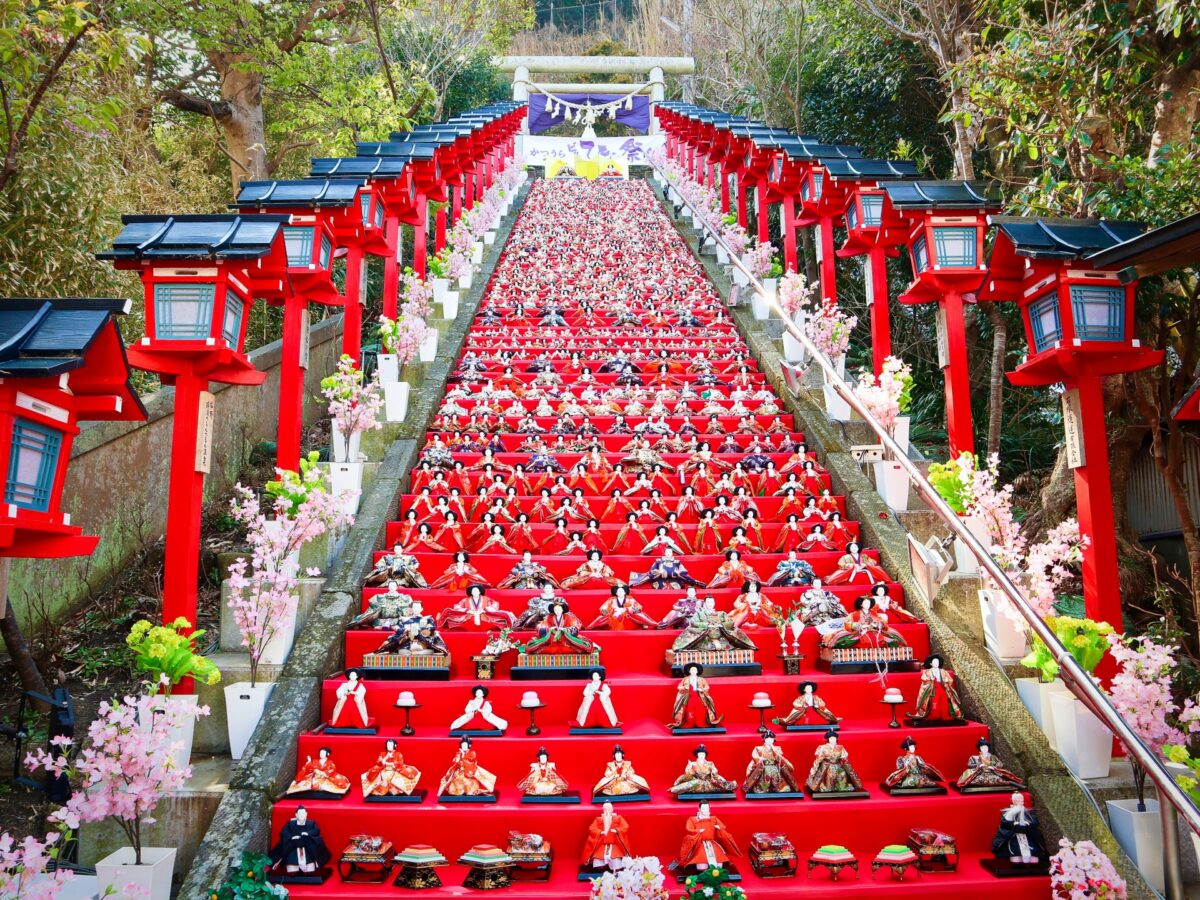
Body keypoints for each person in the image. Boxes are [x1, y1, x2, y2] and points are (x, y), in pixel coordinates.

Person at [675, 801, 741, 871]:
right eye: (703, 808)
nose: (705, 810)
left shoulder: (714, 819)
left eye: (707, 808)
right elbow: (689, 828)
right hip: (700, 844)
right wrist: (697, 831)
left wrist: (718, 827)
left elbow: (722, 826)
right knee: (701, 866)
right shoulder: (693, 819)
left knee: (719, 865)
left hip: (712, 843)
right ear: (699, 809)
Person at [268, 807, 330, 874]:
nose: (302, 816)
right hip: (293, 847)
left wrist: (308, 833)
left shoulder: (311, 823)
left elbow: (316, 830)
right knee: (292, 866)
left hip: (307, 847)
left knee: (309, 868)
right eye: (300, 814)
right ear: (296, 814)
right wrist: (292, 837)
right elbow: (283, 832)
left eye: (303, 814)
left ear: (306, 814)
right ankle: (293, 870)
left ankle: (308, 870)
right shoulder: (290, 824)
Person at [992, 793, 1047, 866]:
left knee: (1034, 860)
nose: (1019, 800)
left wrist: (1028, 823)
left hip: (1027, 835)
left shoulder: (1029, 812)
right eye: (1017, 799)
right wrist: (1013, 823)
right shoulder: (1007, 812)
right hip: (1013, 836)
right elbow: (1004, 823)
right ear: (1013, 800)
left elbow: (1035, 822)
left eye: (1021, 798)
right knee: (1016, 859)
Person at [805, 730, 864, 795]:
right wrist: (817, 765)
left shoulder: (840, 747)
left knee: (842, 774)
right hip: (827, 765)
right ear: (828, 739)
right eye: (831, 738)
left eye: (834, 738)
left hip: (837, 764)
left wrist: (845, 763)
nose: (833, 740)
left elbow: (844, 757)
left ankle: (842, 787)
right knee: (830, 775)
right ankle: (827, 787)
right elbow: (818, 757)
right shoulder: (822, 747)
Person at [909, 655, 964, 722]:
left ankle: (945, 715)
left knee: (945, 701)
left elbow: (950, 679)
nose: (936, 664)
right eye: (934, 662)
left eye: (937, 662)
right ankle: (934, 716)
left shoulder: (943, 671)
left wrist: (946, 680)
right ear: (931, 663)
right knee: (934, 702)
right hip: (932, 688)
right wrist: (930, 679)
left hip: (942, 687)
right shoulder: (927, 672)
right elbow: (924, 679)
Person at [957, 738, 1025, 792]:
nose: (984, 749)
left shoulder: (993, 757)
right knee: (976, 781)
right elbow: (970, 765)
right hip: (980, 774)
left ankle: (1013, 784)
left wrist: (993, 767)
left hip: (992, 774)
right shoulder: (974, 758)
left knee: (998, 780)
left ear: (988, 748)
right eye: (982, 748)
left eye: (986, 747)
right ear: (979, 748)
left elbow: (1000, 764)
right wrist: (979, 766)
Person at [668, 664, 723, 729]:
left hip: (699, 696)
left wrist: (702, 689)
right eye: (692, 670)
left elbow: (707, 687)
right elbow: (679, 687)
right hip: (688, 696)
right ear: (689, 671)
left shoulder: (701, 679)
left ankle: (700, 722)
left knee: (701, 708)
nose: (693, 671)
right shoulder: (685, 679)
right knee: (689, 708)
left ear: (697, 671)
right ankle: (689, 723)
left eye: (695, 670)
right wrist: (685, 687)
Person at [437, 585, 515, 630]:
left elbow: (495, 604)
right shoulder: (466, 600)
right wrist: (467, 610)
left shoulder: (486, 598)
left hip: (485, 616)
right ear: (471, 592)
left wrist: (485, 610)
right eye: (473, 591)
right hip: (469, 617)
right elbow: (457, 606)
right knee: (450, 613)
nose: (475, 592)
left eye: (476, 591)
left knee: (504, 615)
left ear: (480, 592)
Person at [669, 745, 737, 795]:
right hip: (697, 783)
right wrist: (689, 767)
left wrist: (720, 778)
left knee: (721, 783)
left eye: (703, 754)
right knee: (689, 784)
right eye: (700, 754)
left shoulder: (710, 763)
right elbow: (687, 775)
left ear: (705, 755)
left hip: (709, 783)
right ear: (697, 755)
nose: (701, 755)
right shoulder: (693, 764)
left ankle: (729, 786)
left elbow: (716, 774)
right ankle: (674, 789)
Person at [285, 747, 351, 796]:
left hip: (326, 777)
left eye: (323, 753)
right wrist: (309, 762)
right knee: (306, 784)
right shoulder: (315, 761)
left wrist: (323, 773)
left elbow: (333, 770)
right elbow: (310, 768)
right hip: (315, 777)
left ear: (327, 754)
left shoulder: (330, 762)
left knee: (339, 782)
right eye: (320, 753)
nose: (321, 754)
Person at [773, 682, 841, 728]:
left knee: (825, 711)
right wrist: (802, 705)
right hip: (802, 708)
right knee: (796, 713)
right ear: (804, 690)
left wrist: (818, 705)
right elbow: (795, 703)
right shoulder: (801, 698)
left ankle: (833, 719)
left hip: (816, 707)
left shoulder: (816, 697)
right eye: (807, 688)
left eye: (810, 688)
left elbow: (823, 703)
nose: (809, 689)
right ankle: (786, 721)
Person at [588, 585, 657, 629]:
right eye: (618, 591)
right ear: (616, 593)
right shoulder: (612, 599)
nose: (620, 593)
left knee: (640, 615)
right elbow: (604, 606)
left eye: (622, 591)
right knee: (601, 617)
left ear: (624, 592)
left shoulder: (629, 599)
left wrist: (634, 609)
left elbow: (637, 606)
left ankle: (650, 623)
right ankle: (591, 626)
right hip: (615, 614)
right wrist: (605, 610)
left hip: (627, 614)